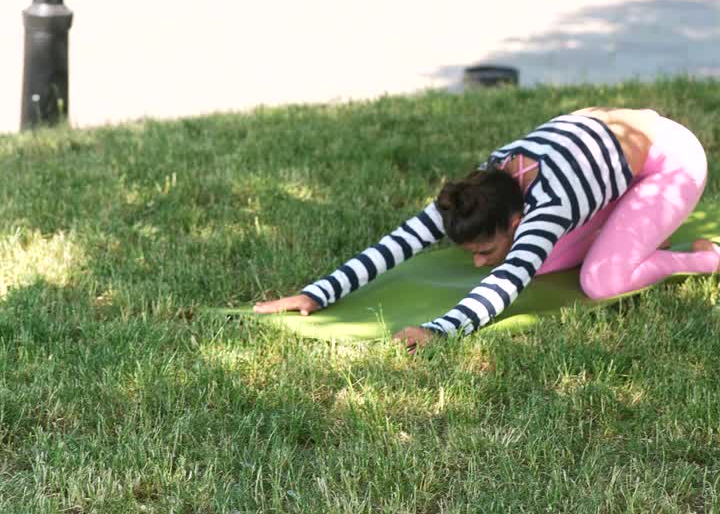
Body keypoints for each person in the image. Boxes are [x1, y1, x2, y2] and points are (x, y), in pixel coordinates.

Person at [253, 107, 715, 350]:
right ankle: (620, 227)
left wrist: (440, 330)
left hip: (668, 161)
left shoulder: (548, 208)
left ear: (516, 221)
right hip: (602, 149)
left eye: (484, 248)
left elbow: (505, 283)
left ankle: (705, 256)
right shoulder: (481, 189)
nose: (476, 262)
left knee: (601, 279)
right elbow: (399, 242)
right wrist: (318, 293)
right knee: (540, 262)